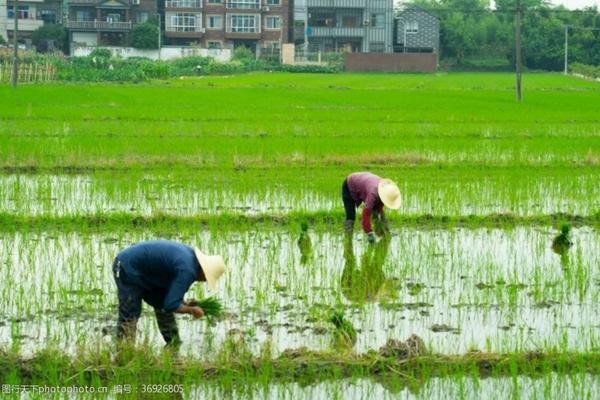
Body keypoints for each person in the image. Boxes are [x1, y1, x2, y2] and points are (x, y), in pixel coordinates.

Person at [112, 240, 226, 347]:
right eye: (206, 278)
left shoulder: (191, 258)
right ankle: (124, 352)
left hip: (147, 272)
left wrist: (185, 304)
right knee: (130, 312)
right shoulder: (188, 270)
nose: (203, 281)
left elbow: (170, 299)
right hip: (126, 267)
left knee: (162, 305)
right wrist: (192, 310)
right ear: (204, 271)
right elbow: (171, 305)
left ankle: (173, 344)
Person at [342, 172, 401, 243]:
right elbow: (365, 214)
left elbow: (379, 209)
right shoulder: (373, 194)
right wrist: (369, 232)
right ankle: (348, 238)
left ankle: (383, 232)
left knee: (377, 212)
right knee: (350, 215)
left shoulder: (385, 189)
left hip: (364, 182)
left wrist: (386, 230)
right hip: (349, 184)